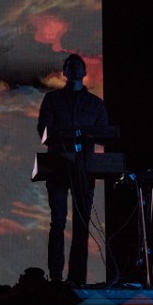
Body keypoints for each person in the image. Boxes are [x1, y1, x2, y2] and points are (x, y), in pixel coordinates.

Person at [37, 54, 109, 286]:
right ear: (65, 72)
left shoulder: (96, 104)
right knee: (57, 221)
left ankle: (77, 278)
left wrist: (84, 135)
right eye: (71, 65)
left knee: (81, 225)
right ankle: (56, 277)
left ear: (84, 72)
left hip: (84, 169)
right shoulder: (52, 100)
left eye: (79, 65)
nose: (75, 67)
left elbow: (105, 135)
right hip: (57, 166)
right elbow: (43, 131)